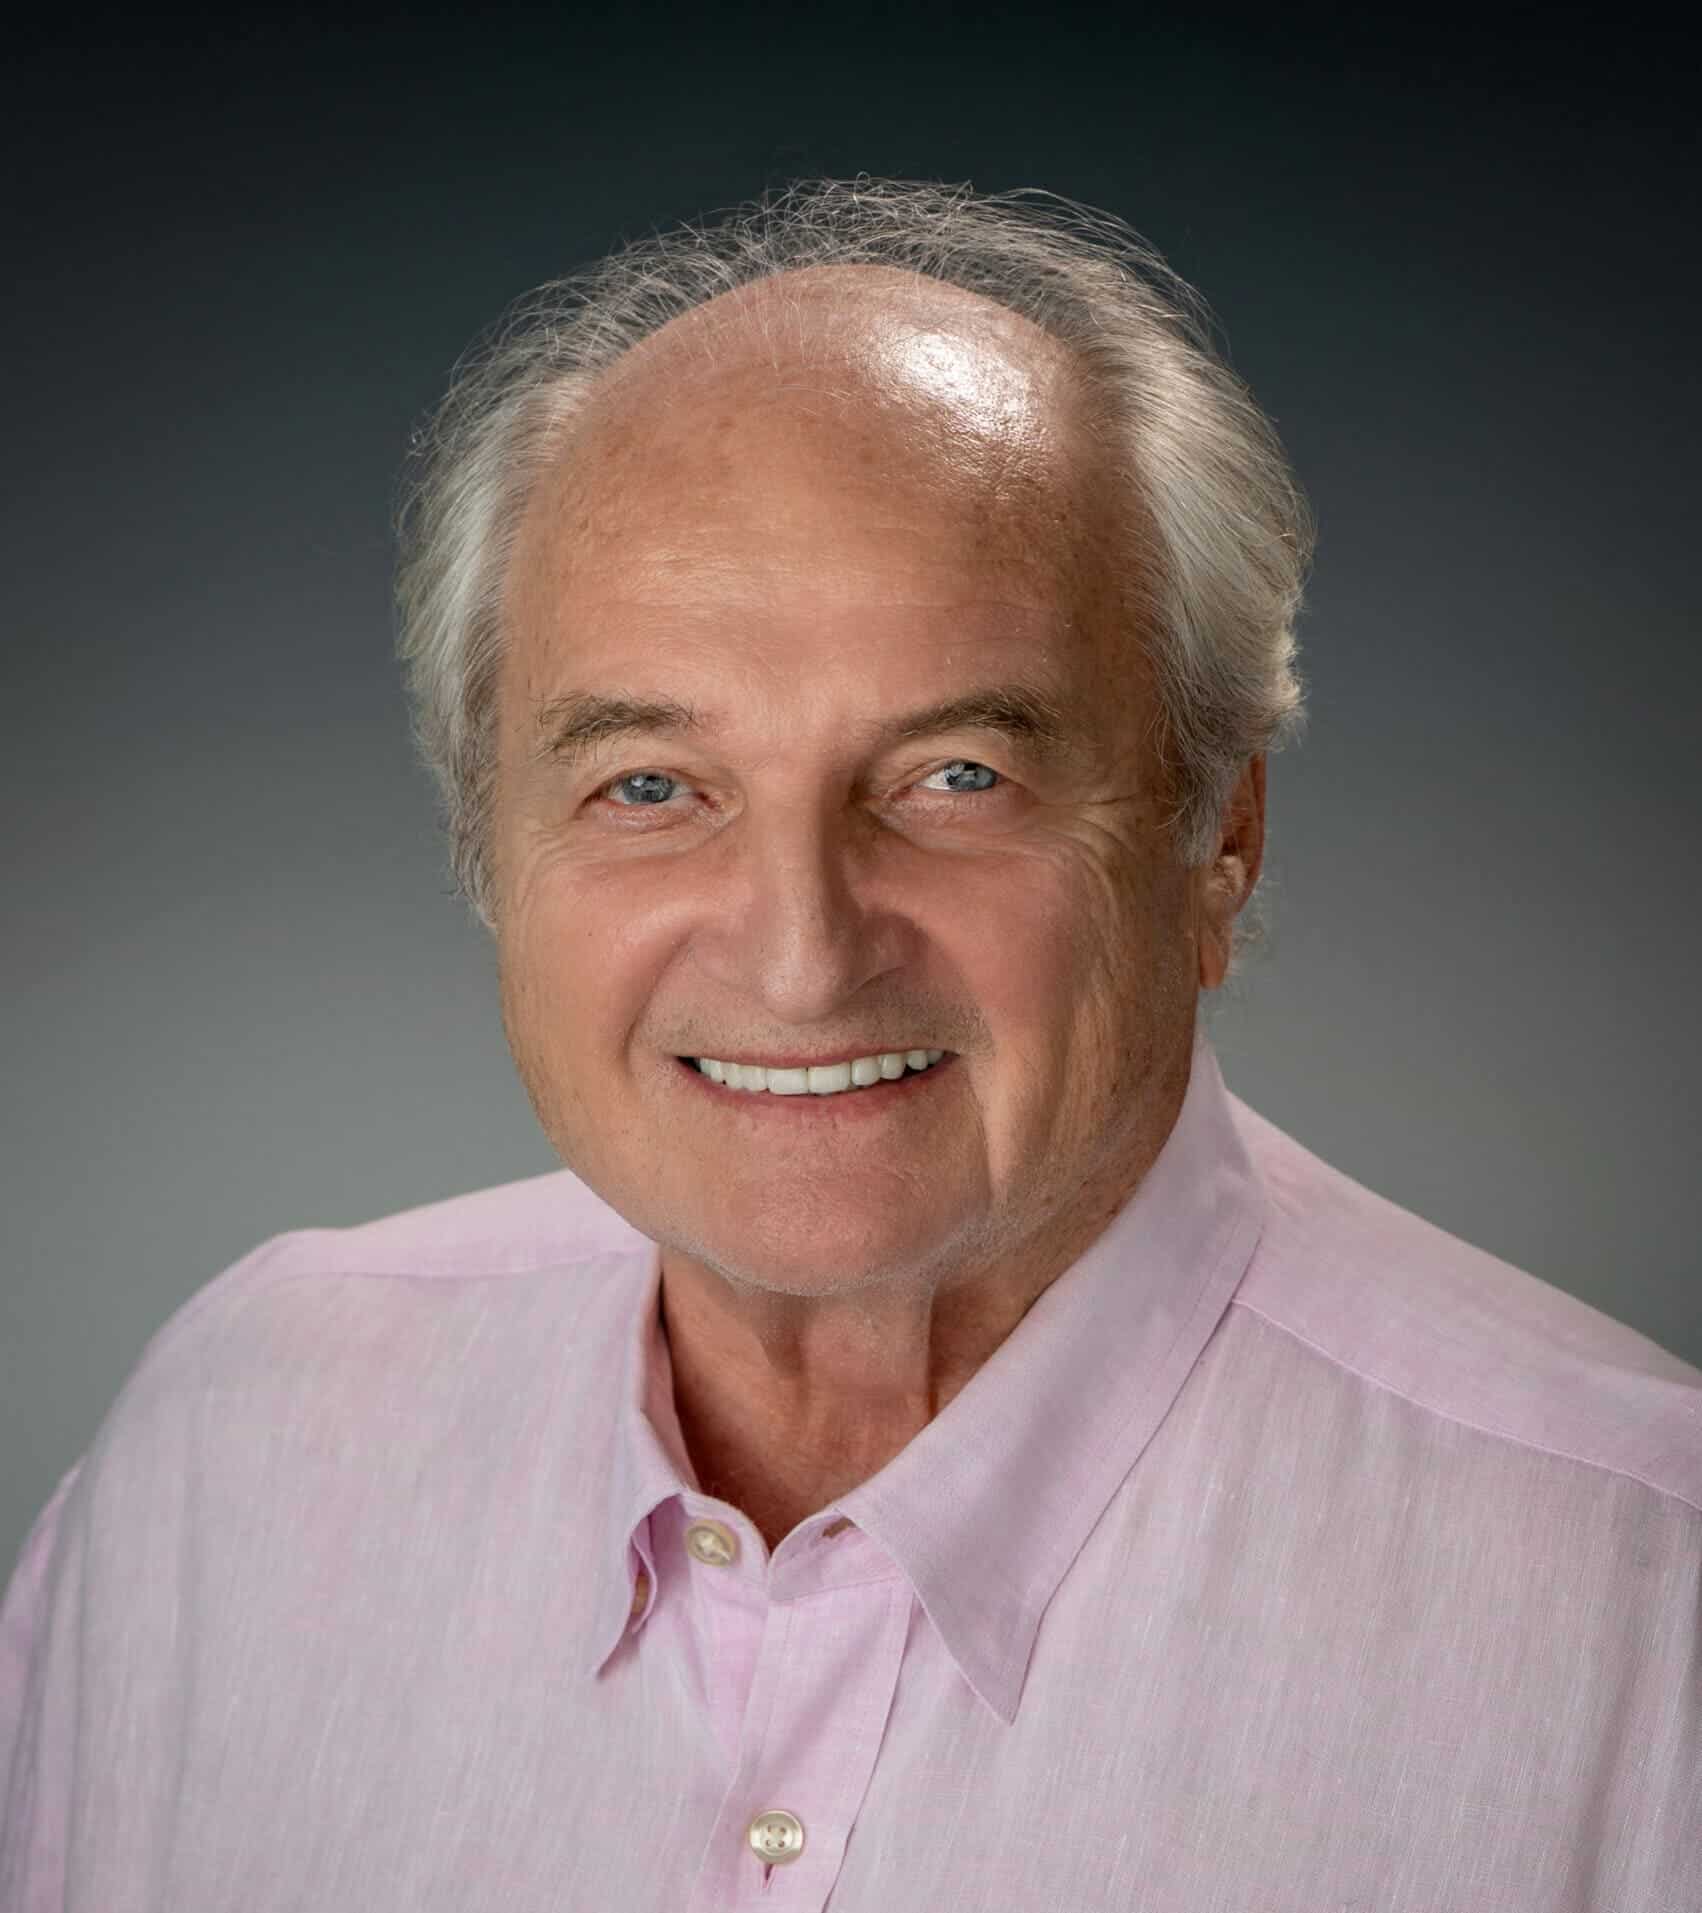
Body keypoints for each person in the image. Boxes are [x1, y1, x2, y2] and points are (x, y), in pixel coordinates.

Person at [2, 178, 1696, 1911]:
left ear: (1219, 838)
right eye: (649, 786)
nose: (803, 957)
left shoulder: (1644, 1603)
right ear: (485, 850)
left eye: (957, 775)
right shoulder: (232, 1448)